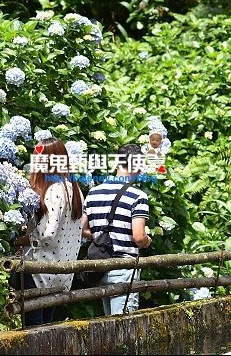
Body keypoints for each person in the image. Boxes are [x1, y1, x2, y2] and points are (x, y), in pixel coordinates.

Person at [14, 137, 84, 326]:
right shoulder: (75, 190)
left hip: (39, 272)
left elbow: (47, 235)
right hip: (61, 274)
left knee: (33, 332)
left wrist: (20, 240)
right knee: (47, 329)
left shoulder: (54, 190)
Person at [81, 143, 151, 316]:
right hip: (124, 268)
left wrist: (102, 238)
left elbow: (83, 229)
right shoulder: (138, 196)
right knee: (124, 326)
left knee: (110, 325)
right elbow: (139, 236)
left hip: (101, 267)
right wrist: (147, 240)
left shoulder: (94, 193)